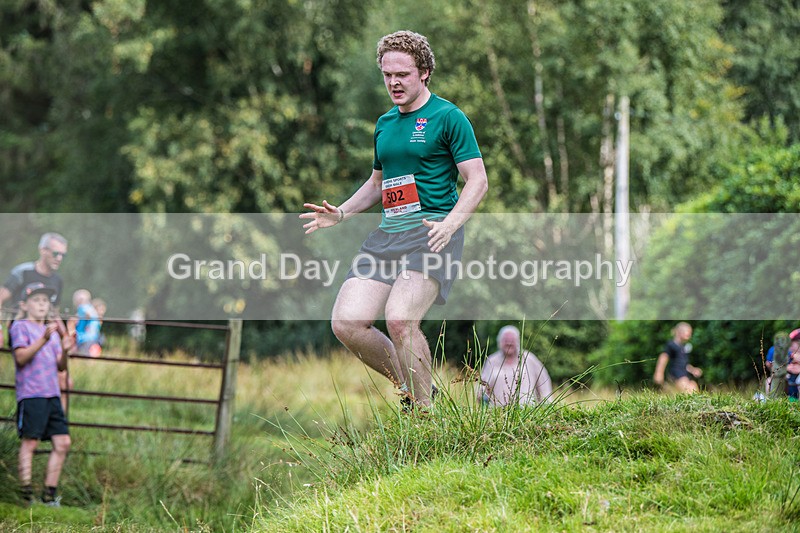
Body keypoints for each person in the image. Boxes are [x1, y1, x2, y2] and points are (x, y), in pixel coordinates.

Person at [300, 30, 488, 408]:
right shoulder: (385, 123)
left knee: (400, 319)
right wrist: (342, 212)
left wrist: (451, 224)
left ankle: (426, 418)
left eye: (402, 74)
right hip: (388, 236)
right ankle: (415, 387)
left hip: (433, 234)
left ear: (424, 73)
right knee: (347, 323)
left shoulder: (449, 117)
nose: (394, 82)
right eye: (387, 74)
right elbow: (377, 184)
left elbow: (478, 180)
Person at [10, 282, 75, 506]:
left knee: (63, 442)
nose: (41, 304)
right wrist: (43, 340)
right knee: (31, 442)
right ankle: (25, 494)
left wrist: (65, 350)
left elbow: (61, 366)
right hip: (31, 394)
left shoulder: (53, 333)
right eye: (36, 300)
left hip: (52, 394)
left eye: (45, 301)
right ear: (25, 304)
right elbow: (21, 358)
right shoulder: (20, 327)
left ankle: (49, 495)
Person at [0, 233, 71, 411]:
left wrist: (66, 338)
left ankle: (58, 426)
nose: (60, 258)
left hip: (46, 335)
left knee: (64, 377)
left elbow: (54, 313)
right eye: (56, 253)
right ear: (42, 250)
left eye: (63, 254)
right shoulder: (23, 272)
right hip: (22, 335)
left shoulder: (57, 281)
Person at [479, 325, 553, 406]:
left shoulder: (529, 359)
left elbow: (544, 384)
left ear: (518, 341)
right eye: (505, 340)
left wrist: (546, 406)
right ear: (499, 342)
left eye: (512, 340)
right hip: (497, 413)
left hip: (526, 413)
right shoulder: (492, 360)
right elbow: (481, 389)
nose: (509, 343)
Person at [653, 322, 703, 393]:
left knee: (693, 386)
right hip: (676, 374)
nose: (690, 335)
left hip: (684, 374)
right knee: (687, 390)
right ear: (680, 332)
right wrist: (659, 373)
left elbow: (684, 364)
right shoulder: (671, 345)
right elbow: (663, 358)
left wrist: (693, 370)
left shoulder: (683, 347)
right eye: (688, 332)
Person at [70, 289, 102, 356]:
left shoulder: (83, 307)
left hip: (86, 338)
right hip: (91, 338)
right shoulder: (90, 309)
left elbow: (88, 315)